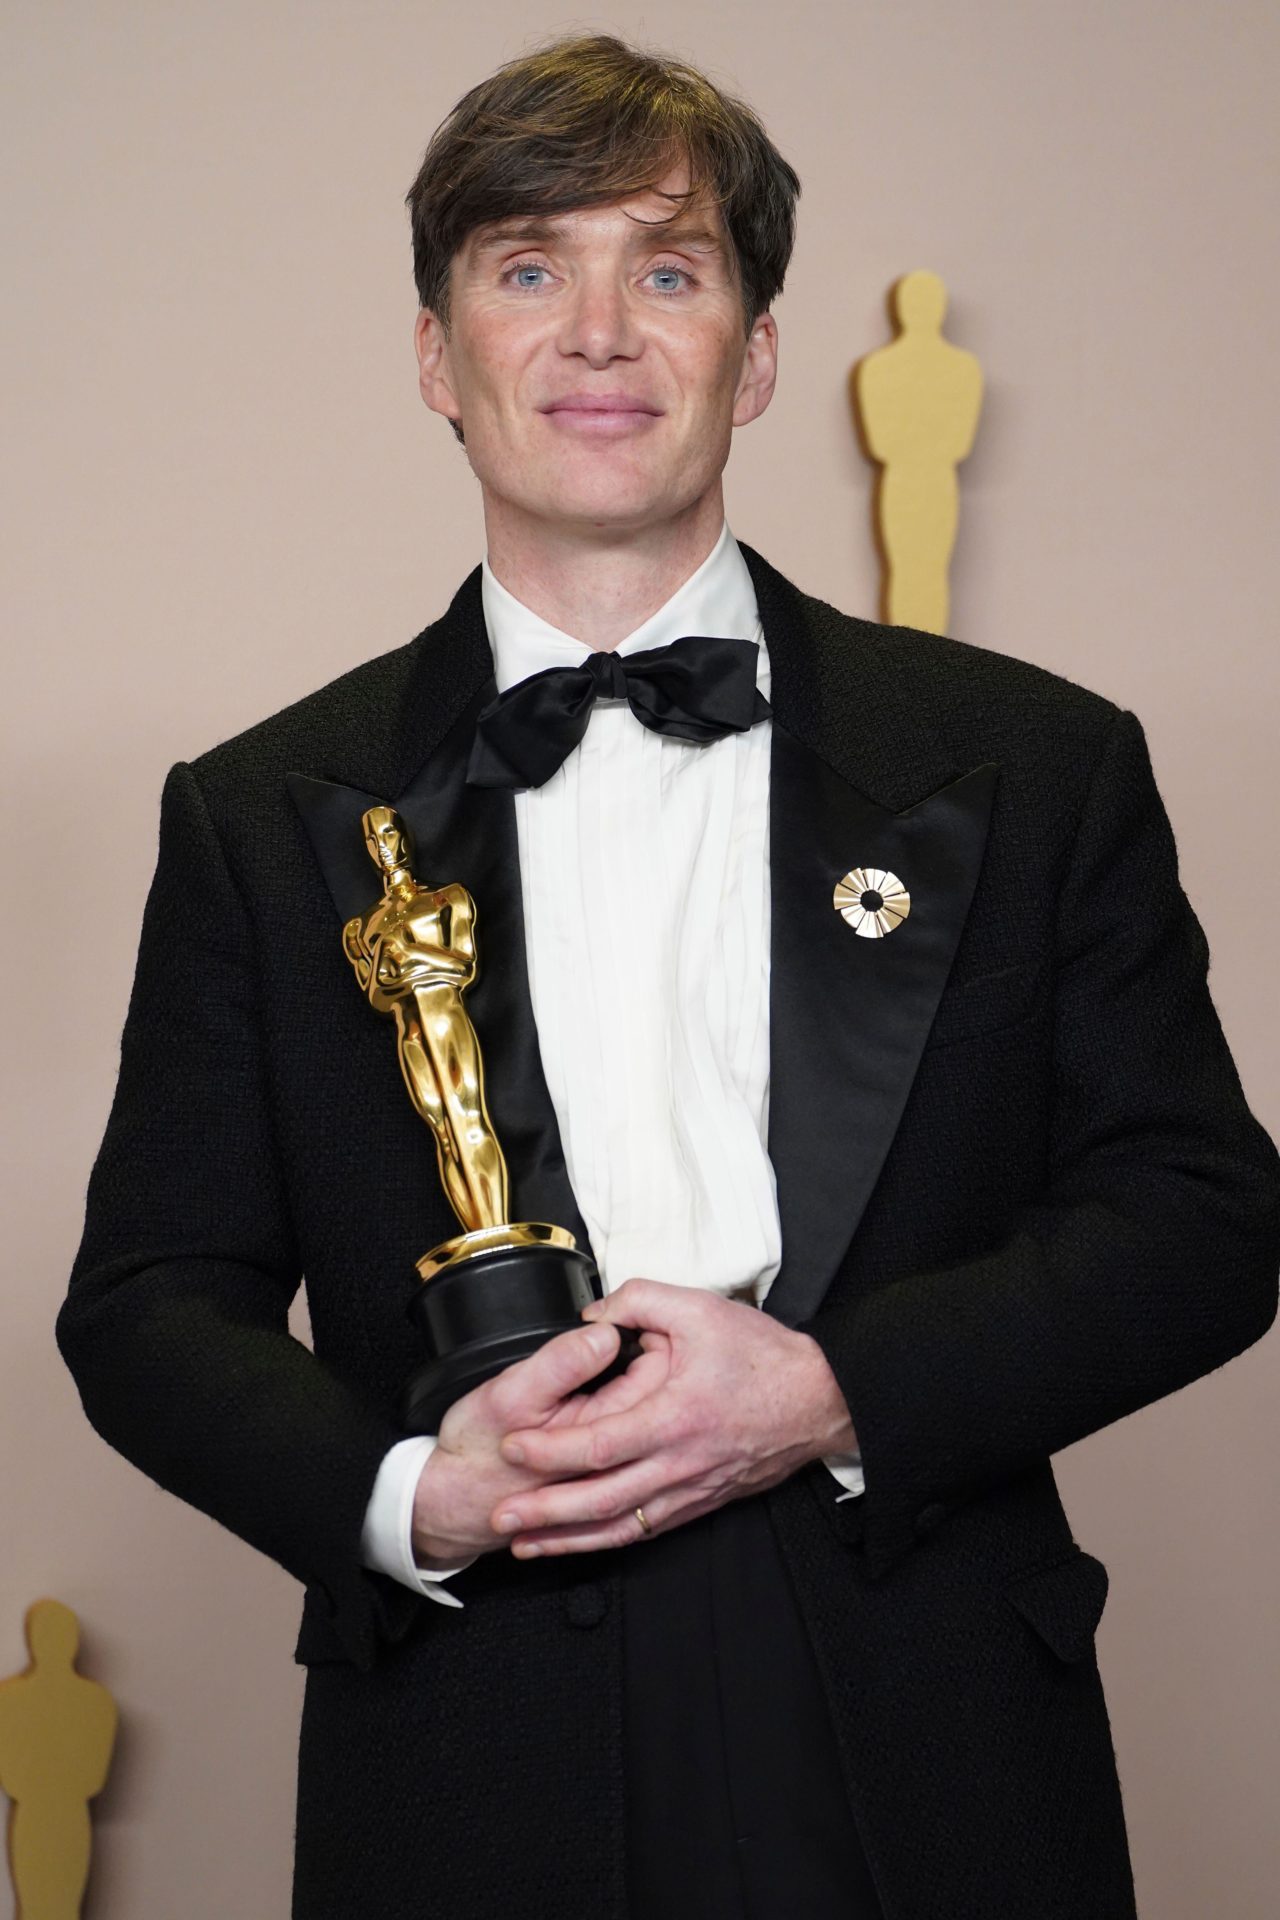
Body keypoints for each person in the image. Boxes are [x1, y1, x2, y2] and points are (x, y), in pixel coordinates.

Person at [56, 31, 1280, 1920]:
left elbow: (1208, 1217)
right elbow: (148, 1304)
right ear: (436, 357)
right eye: (529, 267)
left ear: (758, 354)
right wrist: (416, 1498)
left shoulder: (1039, 760)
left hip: (917, 1689)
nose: (601, 332)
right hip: (470, 1719)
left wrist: (834, 1394)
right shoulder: (255, 812)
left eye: (672, 267)